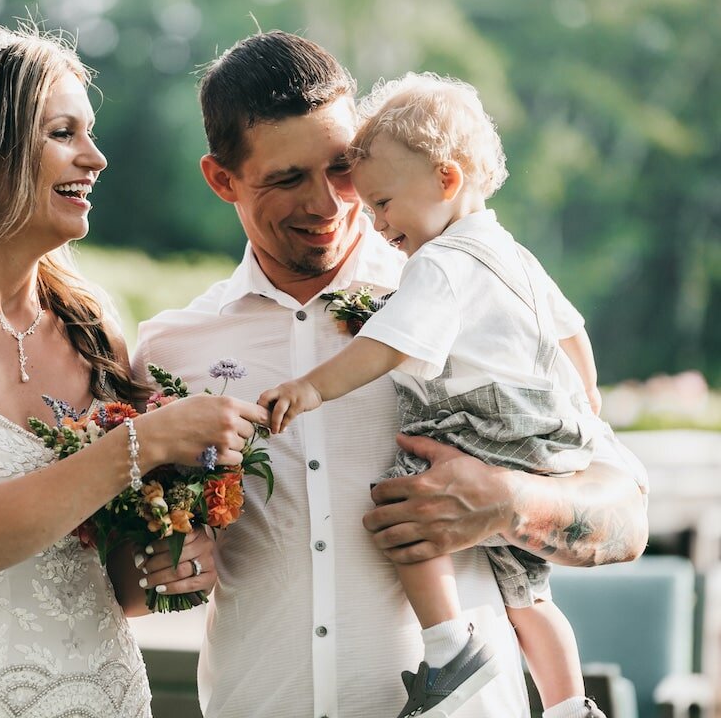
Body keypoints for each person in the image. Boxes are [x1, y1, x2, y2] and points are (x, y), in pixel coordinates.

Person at [132, 31, 649, 718]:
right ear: (222, 179)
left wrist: (508, 502)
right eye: (288, 179)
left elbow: (627, 519)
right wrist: (164, 558)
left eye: (343, 170)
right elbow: (132, 577)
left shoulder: (471, 294)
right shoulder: (170, 351)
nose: (330, 204)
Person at [0, 25, 267, 717]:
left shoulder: (92, 323)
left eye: (88, 133)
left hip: (101, 697)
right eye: (62, 133)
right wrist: (147, 442)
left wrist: (172, 559)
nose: (94, 158)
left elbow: (119, 587)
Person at [259, 71, 608, 718]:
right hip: (542, 431)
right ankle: (569, 706)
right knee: (528, 594)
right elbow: (572, 336)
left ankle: (450, 648)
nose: (375, 221)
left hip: (478, 422)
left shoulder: (440, 264)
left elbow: (386, 345)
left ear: (446, 180)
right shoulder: (513, 254)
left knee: (405, 509)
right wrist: (584, 408)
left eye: (384, 203)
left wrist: (309, 387)